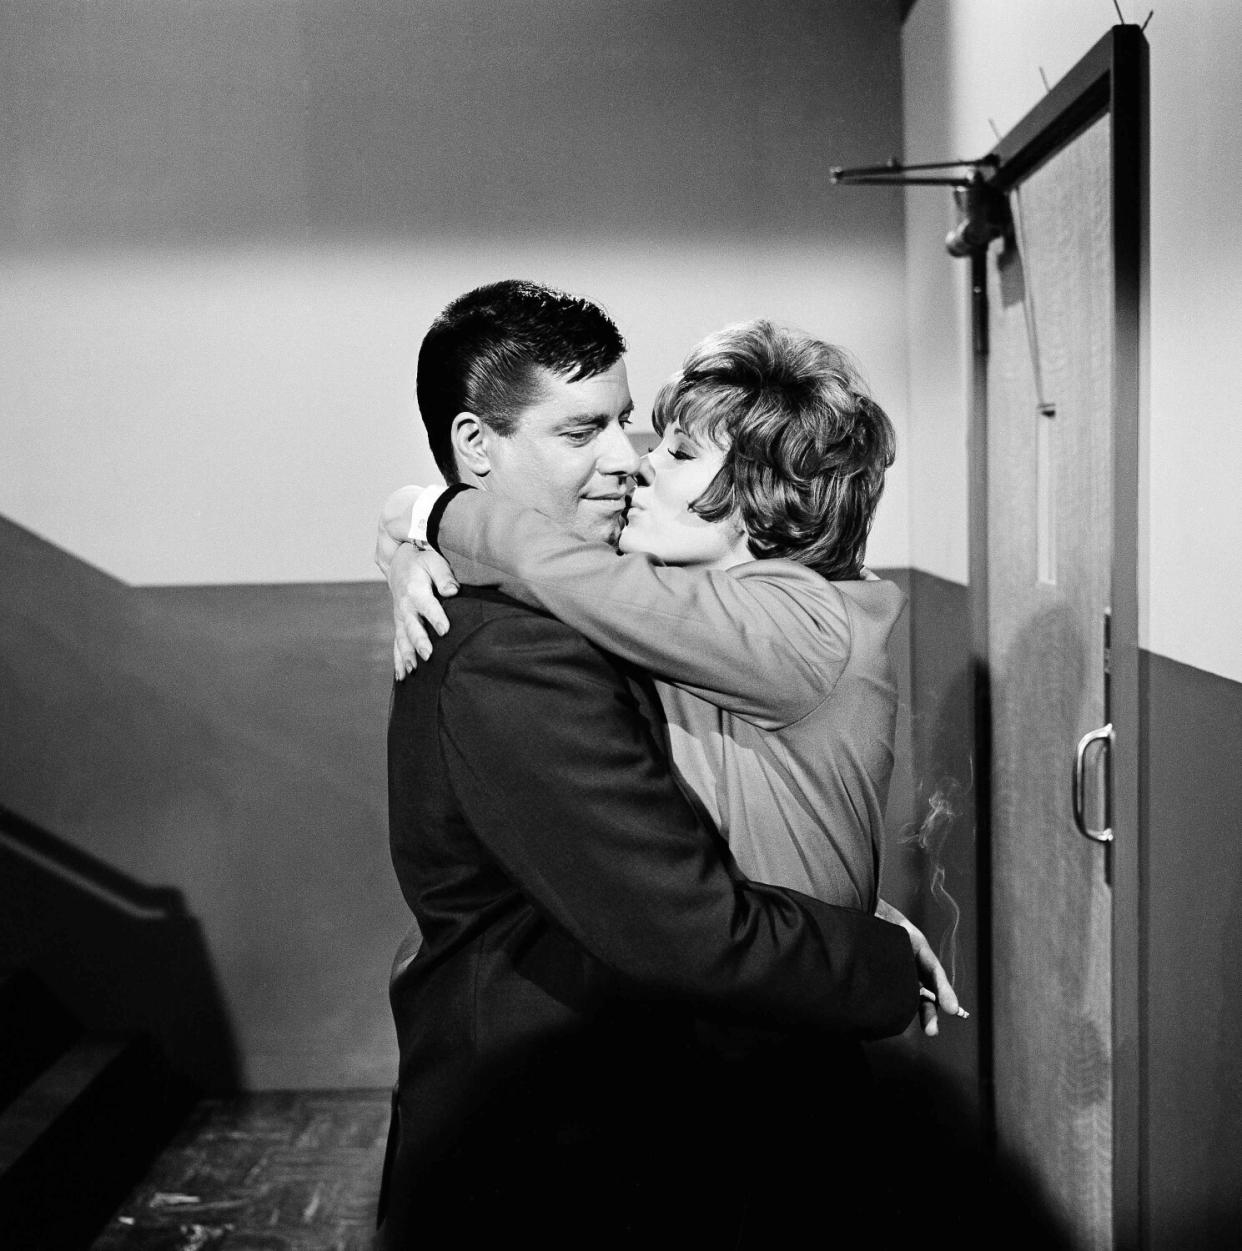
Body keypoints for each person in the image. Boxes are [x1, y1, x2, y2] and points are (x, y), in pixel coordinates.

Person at [377, 280, 925, 1249]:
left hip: (747, 1063)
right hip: (560, 1133)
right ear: (477, 443)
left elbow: (570, 578)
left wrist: (426, 517)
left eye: (655, 440)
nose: (631, 465)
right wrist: (412, 548)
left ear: (756, 495)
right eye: (587, 433)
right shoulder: (538, 645)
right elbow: (687, 921)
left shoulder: (781, 621)